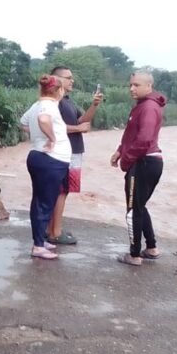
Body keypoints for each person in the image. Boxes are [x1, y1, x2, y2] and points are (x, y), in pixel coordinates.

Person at [110, 71, 167, 265]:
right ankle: (151, 248)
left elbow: (144, 139)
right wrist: (120, 150)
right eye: (131, 85)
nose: (132, 89)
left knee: (133, 210)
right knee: (139, 206)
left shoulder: (149, 107)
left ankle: (134, 255)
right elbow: (132, 135)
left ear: (148, 86)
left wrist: (127, 160)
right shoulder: (143, 106)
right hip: (147, 161)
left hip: (143, 162)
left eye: (136, 85)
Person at [47, 66, 103, 245]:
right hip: (64, 152)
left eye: (72, 78)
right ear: (55, 79)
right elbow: (51, 126)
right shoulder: (55, 101)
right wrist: (78, 129)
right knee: (60, 192)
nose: (72, 81)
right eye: (68, 77)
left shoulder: (68, 101)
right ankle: (55, 232)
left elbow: (81, 120)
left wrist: (94, 105)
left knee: (62, 192)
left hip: (73, 151)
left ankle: (53, 229)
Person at [19, 75, 71, 260]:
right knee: (44, 202)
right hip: (50, 159)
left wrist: (38, 136)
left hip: (40, 157)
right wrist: (51, 138)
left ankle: (40, 240)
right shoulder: (48, 106)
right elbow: (43, 120)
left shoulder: (36, 105)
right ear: (58, 90)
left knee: (40, 201)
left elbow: (23, 123)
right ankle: (38, 246)